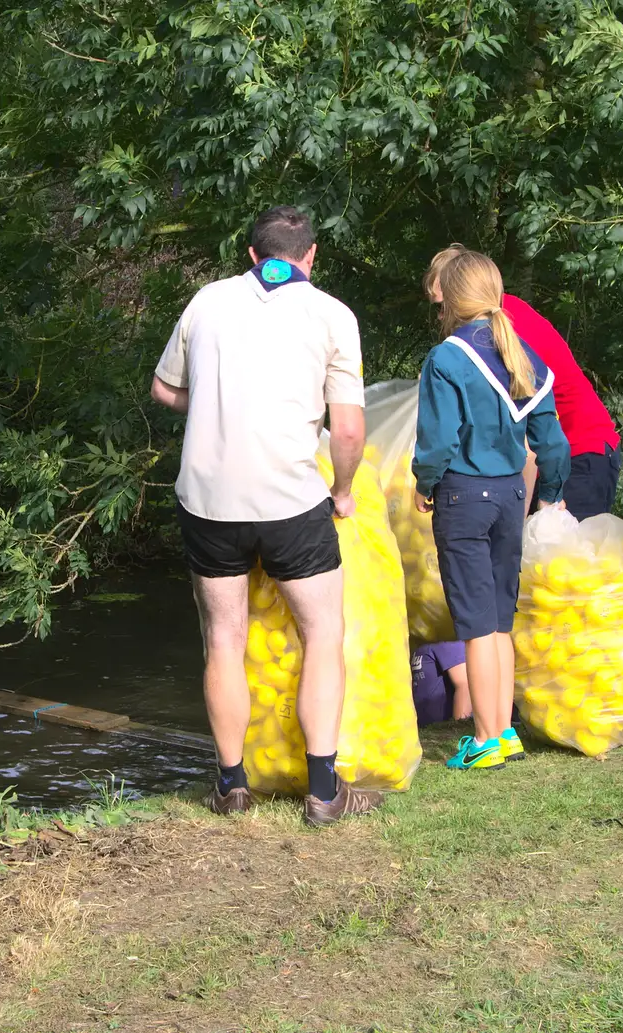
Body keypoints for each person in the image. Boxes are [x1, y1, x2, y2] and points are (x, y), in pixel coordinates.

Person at [150, 205, 377, 826]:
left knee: (223, 639)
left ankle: (230, 786)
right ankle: (325, 790)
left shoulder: (207, 302)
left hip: (208, 500)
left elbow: (164, 390)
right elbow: (349, 428)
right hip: (290, 499)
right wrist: (346, 490)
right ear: (311, 257)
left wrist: (221, 399)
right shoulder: (333, 314)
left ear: (251, 254)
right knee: (323, 634)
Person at [414, 249, 571, 771]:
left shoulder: (447, 358)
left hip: (463, 495)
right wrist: (550, 491)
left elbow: (437, 440)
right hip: (512, 496)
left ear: (451, 298)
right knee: (501, 620)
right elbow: (553, 443)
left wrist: (424, 483)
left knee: (476, 624)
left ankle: (483, 740)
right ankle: (504, 730)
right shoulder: (524, 355)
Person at [424, 247, 622, 517]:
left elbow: (525, 444)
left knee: (560, 557)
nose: (440, 317)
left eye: (442, 306)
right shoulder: (491, 325)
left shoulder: (502, 330)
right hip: (558, 456)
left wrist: (513, 529)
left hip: (580, 454)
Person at [410, 641, 471, 727]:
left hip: (441, 729)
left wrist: (458, 729)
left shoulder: (449, 643)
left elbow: (465, 685)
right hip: (422, 729)